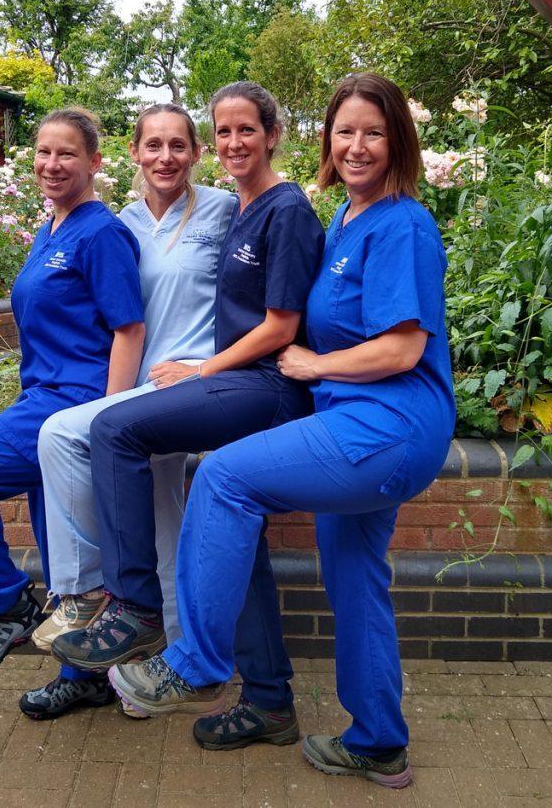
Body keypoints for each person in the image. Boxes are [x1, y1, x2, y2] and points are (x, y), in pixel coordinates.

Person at [106, 73, 455, 790]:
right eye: (345, 131)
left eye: (374, 132)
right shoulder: (349, 218)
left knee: (222, 478)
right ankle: (378, 742)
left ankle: (195, 665)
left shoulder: (403, 224)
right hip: (353, 422)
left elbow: (402, 348)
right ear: (327, 139)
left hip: (387, 426)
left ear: (398, 142)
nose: (356, 146)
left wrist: (313, 362)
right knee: (354, 575)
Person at [50, 81, 325, 750]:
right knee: (232, 521)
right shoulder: (245, 207)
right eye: (224, 131)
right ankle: (269, 701)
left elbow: (282, 325)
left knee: (113, 429)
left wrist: (202, 369)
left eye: (245, 130)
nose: (233, 142)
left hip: (259, 384)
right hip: (229, 383)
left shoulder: (281, 208)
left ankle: (133, 609)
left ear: (272, 135)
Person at [17, 104, 236, 719]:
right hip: (140, 393)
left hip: (193, 384)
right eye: (153, 145)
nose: (166, 157)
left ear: (196, 153)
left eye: (178, 145)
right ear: (134, 154)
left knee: (71, 444)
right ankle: (150, 661)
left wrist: (213, 368)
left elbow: (253, 296)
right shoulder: (123, 224)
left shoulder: (224, 210)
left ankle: (100, 607)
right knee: (156, 525)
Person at [0, 108, 146, 683]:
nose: (52, 163)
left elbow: (128, 330)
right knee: (64, 554)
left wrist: (102, 418)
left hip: (70, 405)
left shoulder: (101, 233)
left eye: (67, 153)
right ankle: (83, 682)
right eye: (44, 152)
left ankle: (4, 608)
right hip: (40, 400)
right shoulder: (51, 228)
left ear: (94, 162)